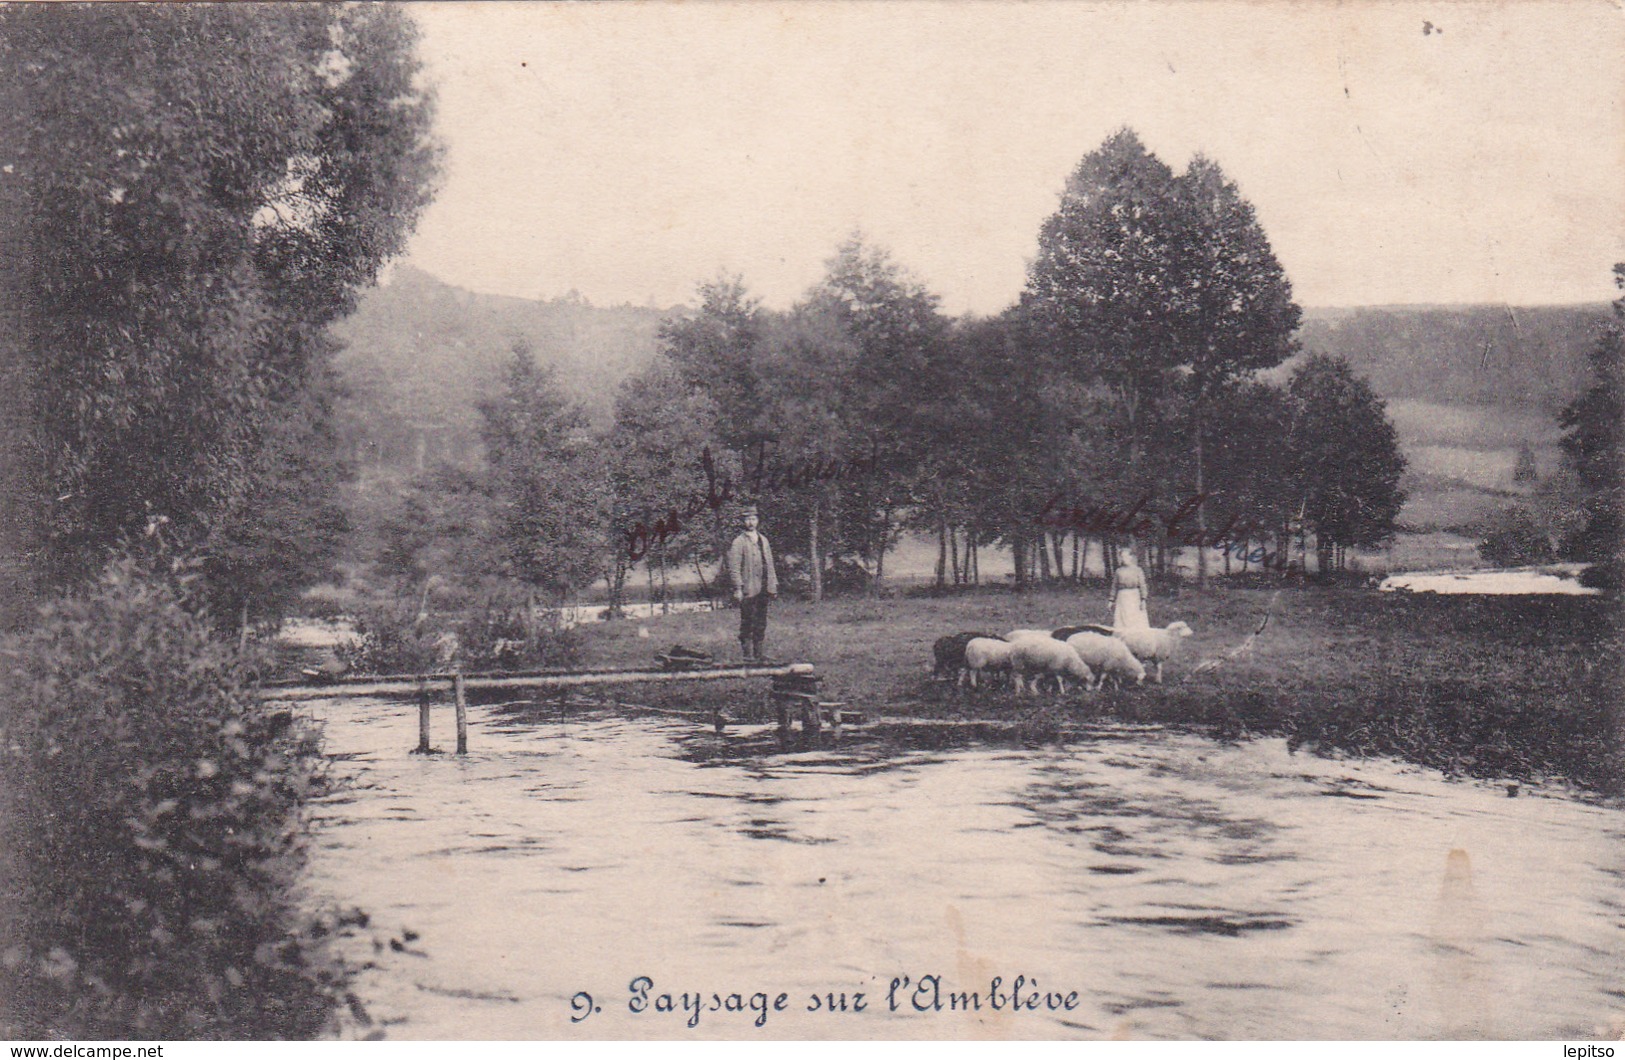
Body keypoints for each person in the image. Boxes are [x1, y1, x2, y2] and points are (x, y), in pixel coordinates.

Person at [726, 505, 778, 662]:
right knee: (748, 620)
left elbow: (770, 564)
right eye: (747, 519)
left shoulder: (764, 540)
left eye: (753, 519)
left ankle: (759, 653)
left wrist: (773, 585)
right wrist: (738, 588)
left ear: (758, 520)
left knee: (761, 621)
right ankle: (747, 655)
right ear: (743, 521)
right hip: (748, 589)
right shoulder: (738, 542)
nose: (751, 522)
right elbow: (734, 568)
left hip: (764, 587)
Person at [1111, 547, 1150, 630]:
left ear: (1130, 557)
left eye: (1126, 556)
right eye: (1122, 557)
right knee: (1122, 619)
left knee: (1134, 618)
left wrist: (1143, 600)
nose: (1123, 559)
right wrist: (1111, 600)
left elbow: (1142, 585)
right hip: (1122, 597)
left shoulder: (1137, 570)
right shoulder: (1118, 571)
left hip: (1134, 597)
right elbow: (1114, 586)